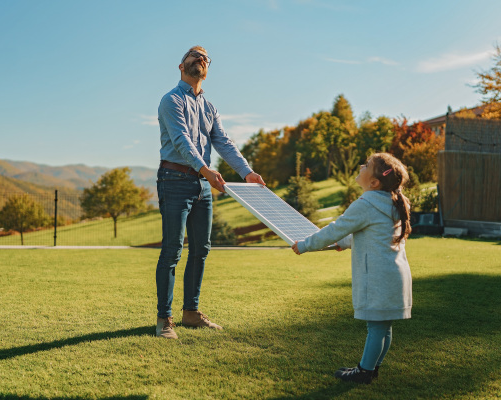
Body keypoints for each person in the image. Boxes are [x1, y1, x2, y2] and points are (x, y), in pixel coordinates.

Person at [155, 46, 265, 339]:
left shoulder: (210, 107)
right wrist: (206, 170)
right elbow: (181, 141)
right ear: (181, 66)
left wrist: (247, 172)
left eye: (205, 58)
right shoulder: (171, 100)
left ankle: (191, 313)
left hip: (202, 185)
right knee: (172, 250)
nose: (200, 60)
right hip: (175, 179)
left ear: (207, 69)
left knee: (201, 249)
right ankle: (164, 319)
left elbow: (224, 142)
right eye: (194, 55)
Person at [292, 152, 413, 384]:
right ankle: (372, 368)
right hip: (395, 275)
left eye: (366, 165)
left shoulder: (366, 204)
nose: (361, 165)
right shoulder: (392, 203)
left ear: (374, 182)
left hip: (378, 276)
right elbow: (370, 234)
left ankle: (364, 371)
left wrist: (306, 245)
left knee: (376, 328)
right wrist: (344, 243)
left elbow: (336, 229)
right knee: (383, 327)